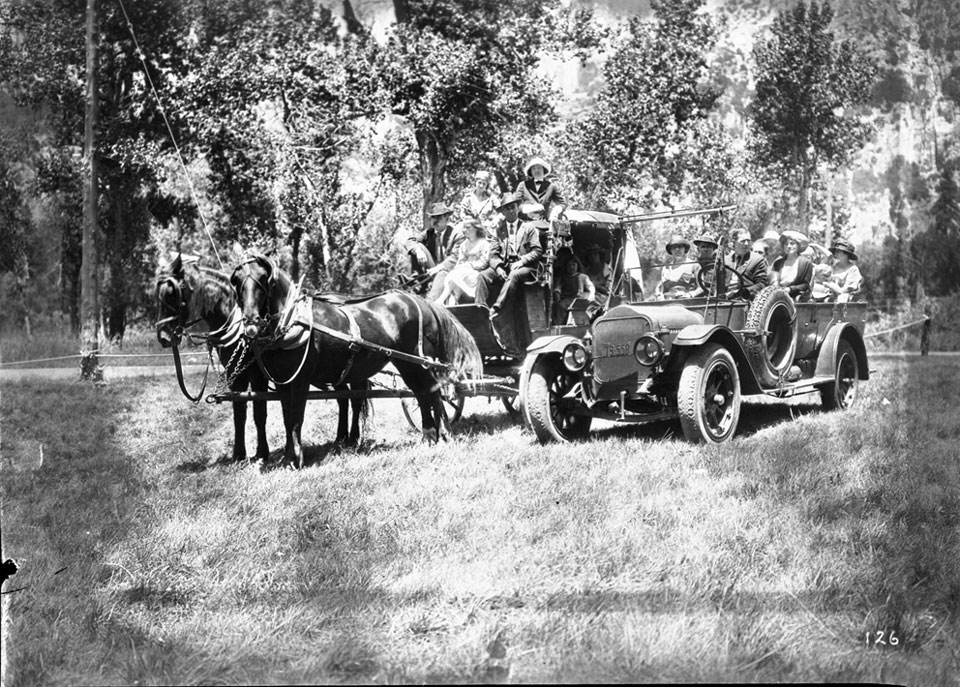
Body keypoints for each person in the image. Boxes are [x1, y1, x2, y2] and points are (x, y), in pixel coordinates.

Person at [474, 191, 544, 317]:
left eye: (513, 207)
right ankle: (479, 309)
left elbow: (537, 251)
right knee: (482, 276)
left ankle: (497, 308)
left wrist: (521, 261)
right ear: (503, 212)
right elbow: (493, 255)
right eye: (508, 208)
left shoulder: (528, 227)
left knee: (514, 274)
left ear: (518, 208)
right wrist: (498, 267)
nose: (511, 211)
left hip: (525, 268)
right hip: (505, 265)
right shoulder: (499, 230)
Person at [411, 202, 466, 301]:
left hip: (449, 271)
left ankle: (429, 302)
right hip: (432, 269)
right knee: (417, 246)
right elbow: (410, 241)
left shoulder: (457, 234)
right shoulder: (429, 233)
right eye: (433, 218)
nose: (435, 221)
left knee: (442, 274)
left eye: (439, 217)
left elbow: (455, 258)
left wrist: (439, 268)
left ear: (447, 218)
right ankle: (416, 287)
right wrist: (418, 251)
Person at [434, 219, 490, 305]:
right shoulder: (464, 244)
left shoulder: (484, 243)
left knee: (457, 275)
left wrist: (470, 265)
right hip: (463, 273)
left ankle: (442, 299)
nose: (465, 230)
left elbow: (484, 262)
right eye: (464, 228)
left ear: (476, 228)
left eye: (468, 228)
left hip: (476, 274)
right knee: (454, 274)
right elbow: (460, 261)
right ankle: (452, 302)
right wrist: (461, 265)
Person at [515, 156, 566, 221]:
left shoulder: (551, 186)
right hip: (526, 222)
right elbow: (516, 203)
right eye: (534, 168)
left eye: (539, 168)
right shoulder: (523, 185)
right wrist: (525, 208)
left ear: (543, 170)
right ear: (530, 171)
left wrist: (557, 210)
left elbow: (563, 203)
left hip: (545, 223)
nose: (536, 170)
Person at [724, 228, 768, 299]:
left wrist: (742, 292)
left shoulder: (757, 259)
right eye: (743, 241)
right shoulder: (726, 260)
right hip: (724, 299)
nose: (746, 244)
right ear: (734, 242)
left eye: (748, 241)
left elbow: (762, 284)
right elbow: (716, 282)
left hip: (745, 299)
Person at [770, 230, 814, 301]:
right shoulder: (777, 263)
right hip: (777, 297)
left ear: (798, 246)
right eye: (786, 244)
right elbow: (773, 282)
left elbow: (805, 285)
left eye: (792, 243)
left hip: (797, 297)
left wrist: (790, 289)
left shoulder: (806, 263)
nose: (789, 246)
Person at [552, 253, 595, 324]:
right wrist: (557, 292)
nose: (571, 267)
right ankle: (560, 325)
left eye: (573, 265)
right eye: (569, 265)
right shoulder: (563, 278)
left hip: (578, 300)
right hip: (566, 300)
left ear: (578, 265)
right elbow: (558, 287)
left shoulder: (582, 276)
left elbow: (591, 286)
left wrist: (591, 295)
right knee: (559, 306)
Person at [654, 234, 698, 300]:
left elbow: (702, 288)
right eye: (674, 247)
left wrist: (690, 294)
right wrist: (659, 295)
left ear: (685, 249)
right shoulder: (666, 268)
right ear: (670, 250)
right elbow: (663, 289)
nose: (677, 249)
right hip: (668, 304)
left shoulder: (693, 265)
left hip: (688, 304)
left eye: (680, 246)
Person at [824, 238, 862, 302]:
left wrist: (829, 284)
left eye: (838, 251)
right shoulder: (833, 267)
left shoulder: (853, 269)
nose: (836, 253)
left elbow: (844, 291)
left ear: (846, 253)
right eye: (835, 251)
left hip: (846, 304)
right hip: (830, 301)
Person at [582, 245, 614, 318]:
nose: (593, 257)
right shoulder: (586, 271)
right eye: (590, 255)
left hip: (603, 298)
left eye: (595, 254)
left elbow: (610, 291)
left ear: (600, 255)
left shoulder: (606, 270)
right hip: (588, 296)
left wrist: (596, 286)